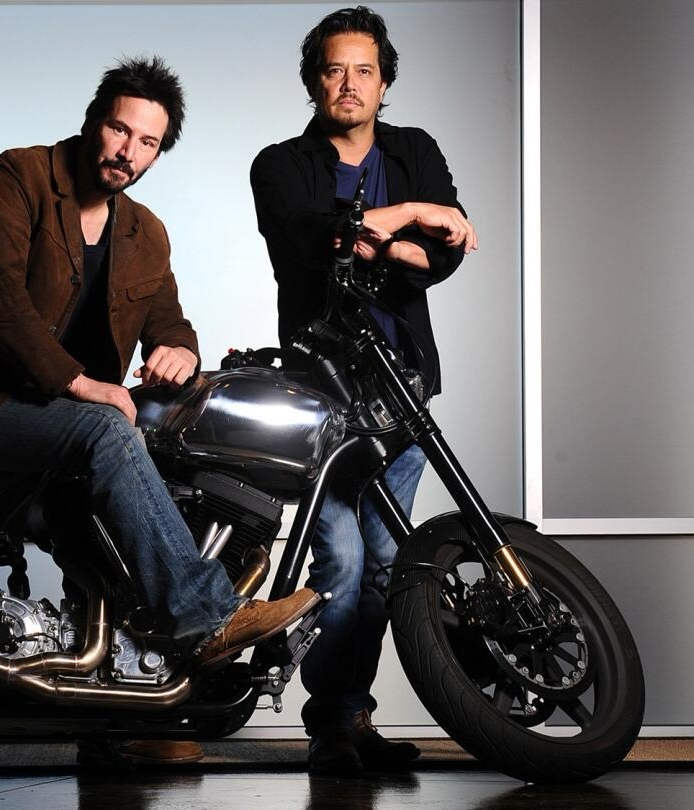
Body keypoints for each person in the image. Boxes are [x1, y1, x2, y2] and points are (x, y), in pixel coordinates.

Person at [0, 57, 319, 679]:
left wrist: (180, 350)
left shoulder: (145, 232)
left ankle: (127, 678)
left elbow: (168, 318)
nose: (127, 152)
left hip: (43, 411)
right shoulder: (20, 176)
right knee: (106, 429)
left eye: (147, 143)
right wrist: (84, 385)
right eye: (120, 129)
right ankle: (206, 618)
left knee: (155, 448)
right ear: (93, 121)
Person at [250, 7, 477, 776]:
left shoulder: (415, 149)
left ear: (384, 83)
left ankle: (351, 718)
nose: (349, 84)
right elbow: (306, 241)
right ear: (314, 81)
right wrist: (412, 216)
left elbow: (448, 251)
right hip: (322, 401)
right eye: (334, 69)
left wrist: (392, 237)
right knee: (342, 565)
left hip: (404, 392)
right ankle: (327, 726)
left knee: (385, 566)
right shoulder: (280, 165)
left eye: (365, 71)